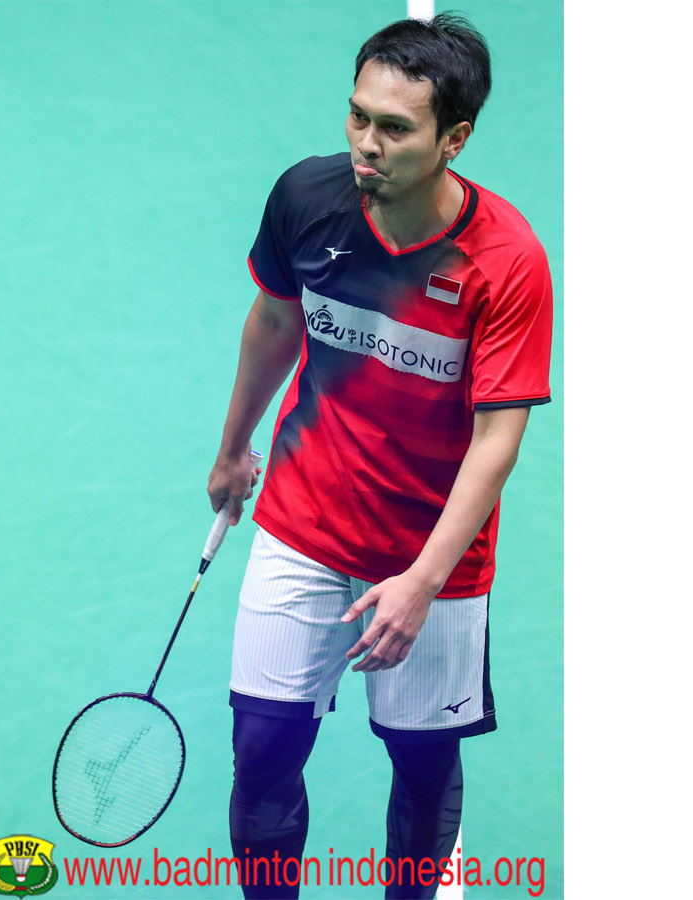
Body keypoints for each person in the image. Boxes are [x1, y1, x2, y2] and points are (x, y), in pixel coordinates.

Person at [206, 14, 552, 899]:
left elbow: (496, 443)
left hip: (434, 556)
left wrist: (422, 582)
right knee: (262, 754)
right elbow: (279, 319)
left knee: (423, 770)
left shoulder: (505, 263)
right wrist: (234, 447)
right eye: (358, 116)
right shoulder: (306, 198)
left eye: (395, 128)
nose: (366, 143)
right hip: (302, 521)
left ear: (453, 139)